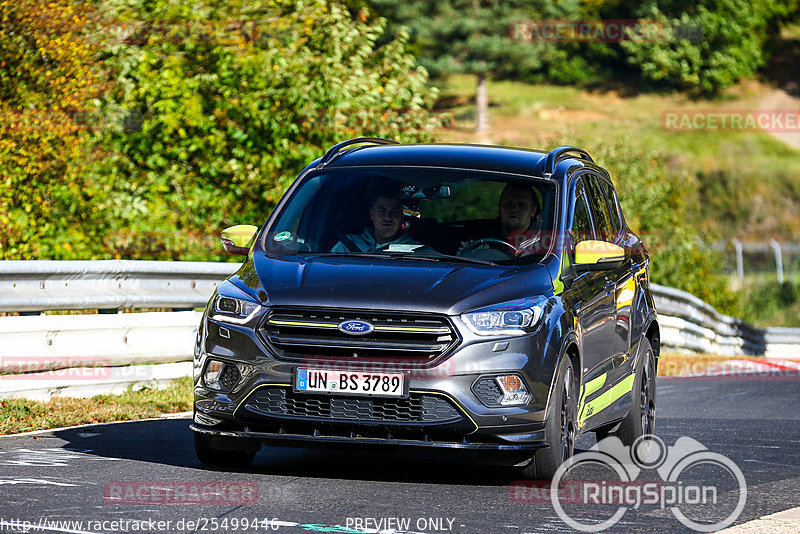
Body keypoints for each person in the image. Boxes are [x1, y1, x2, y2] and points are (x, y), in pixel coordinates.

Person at [331, 191, 422, 253]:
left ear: (402, 217)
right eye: (381, 211)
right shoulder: (346, 246)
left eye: (394, 212)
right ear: (372, 214)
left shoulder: (418, 252)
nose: (388, 217)